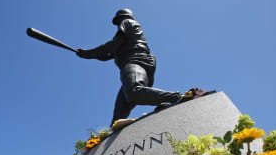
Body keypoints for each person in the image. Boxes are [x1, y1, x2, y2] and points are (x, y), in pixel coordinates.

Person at [76, 8, 213, 128]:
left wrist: (88, 53)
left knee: (134, 92)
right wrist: (88, 55)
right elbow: (108, 54)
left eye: (118, 20)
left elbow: (112, 45)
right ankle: (112, 135)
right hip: (136, 65)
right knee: (119, 115)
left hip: (135, 61)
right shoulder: (125, 38)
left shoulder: (127, 23)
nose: (118, 23)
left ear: (122, 18)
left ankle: (180, 98)